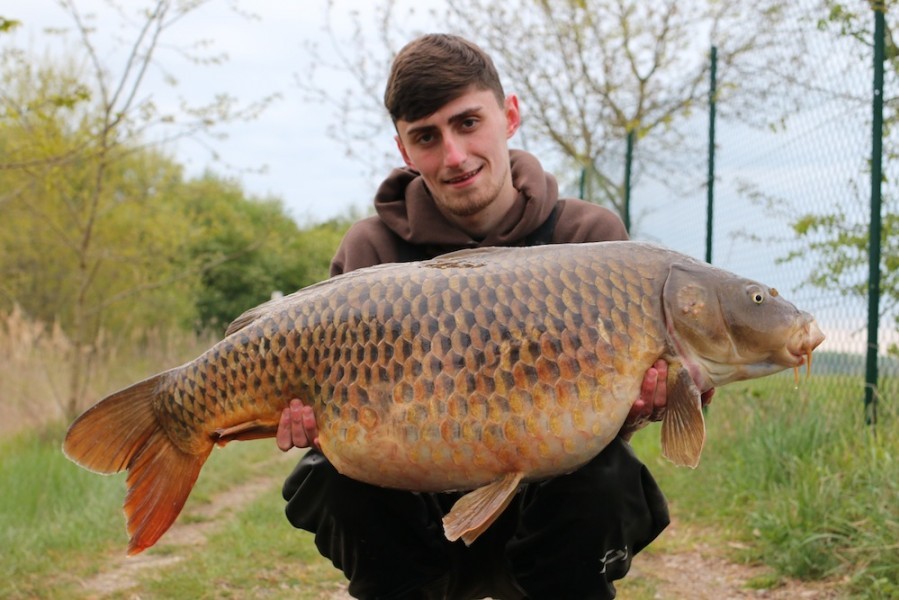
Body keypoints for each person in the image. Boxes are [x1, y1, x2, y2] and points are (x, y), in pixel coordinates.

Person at [276, 33, 710, 599]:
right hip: (413, 506)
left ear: (509, 115)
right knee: (333, 482)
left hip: (547, 504)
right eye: (427, 138)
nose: (454, 156)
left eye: (467, 123)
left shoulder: (589, 240)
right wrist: (309, 423)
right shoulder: (372, 251)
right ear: (405, 151)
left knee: (605, 481)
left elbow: (610, 417)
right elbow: (328, 424)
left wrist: (655, 401)